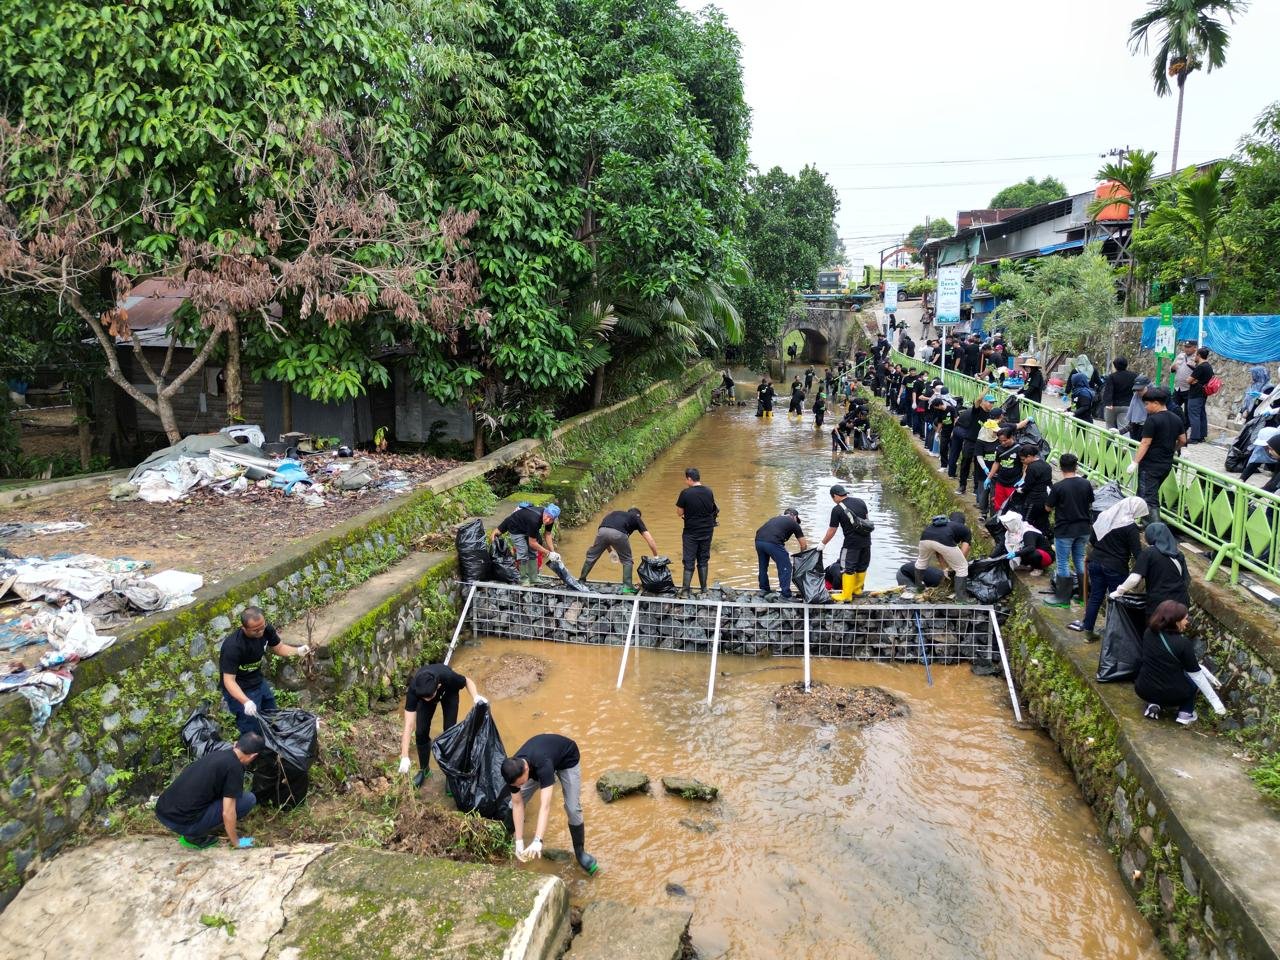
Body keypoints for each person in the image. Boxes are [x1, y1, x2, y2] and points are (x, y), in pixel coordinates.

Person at [501, 733, 596, 874]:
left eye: (521, 782)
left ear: (526, 769)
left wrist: (538, 840)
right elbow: (517, 803)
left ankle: (580, 852)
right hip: (542, 762)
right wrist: (519, 841)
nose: (519, 786)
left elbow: (545, 806)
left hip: (567, 760)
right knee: (512, 803)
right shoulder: (512, 771)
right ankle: (506, 841)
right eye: (516, 784)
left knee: (572, 808)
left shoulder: (543, 765)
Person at [155, 731, 263, 850]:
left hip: (162, 810)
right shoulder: (234, 768)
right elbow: (228, 812)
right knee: (248, 800)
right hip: (182, 823)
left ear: (235, 744)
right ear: (253, 756)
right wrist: (236, 842)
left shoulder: (217, 754)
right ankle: (193, 837)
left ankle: (198, 826)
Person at [220, 607, 310, 735]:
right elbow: (229, 681)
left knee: (272, 716)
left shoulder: (266, 629)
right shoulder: (233, 647)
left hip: (258, 682)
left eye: (262, 627)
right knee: (252, 728)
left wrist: (297, 651)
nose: (260, 632)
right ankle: (256, 752)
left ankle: (274, 747)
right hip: (240, 689)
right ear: (244, 628)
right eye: (255, 630)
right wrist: (245, 701)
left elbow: (279, 648)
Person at [1069, 497, 1149, 638]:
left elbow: (1093, 540)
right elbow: (1137, 553)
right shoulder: (1130, 527)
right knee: (1116, 600)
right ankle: (1112, 634)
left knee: (1096, 597)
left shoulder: (1104, 516)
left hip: (1096, 562)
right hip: (1116, 567)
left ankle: (1088, 629)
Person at [1135, 601, 1226, 725]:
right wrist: (1217, 704)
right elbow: (1197, 676)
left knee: (1157, 673)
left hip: (1143, 689)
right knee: (1192, 682)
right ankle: (1185, 714)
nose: (1187, 622)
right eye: (1185, 619)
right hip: (1173, 695)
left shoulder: (1148, 633)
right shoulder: (1183, 644)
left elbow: (1167, 659)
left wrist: (1209, 675)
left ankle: (1154, 704)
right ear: (1175, 621)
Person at [398, 663, 485, 787]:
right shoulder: (415, 689)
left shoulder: (448, 677)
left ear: (438, 686)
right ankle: (424, 770)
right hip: (426, 694)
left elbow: (467, 681)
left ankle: (450, 775)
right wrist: (405, 756)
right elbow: (409, 725)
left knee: (449, 731)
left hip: (449, 693)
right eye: (425, 697)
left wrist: (476, 697)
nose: (428, 699)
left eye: (430, 696)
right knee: (421, 732)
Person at [1110, 522, 1191, 621]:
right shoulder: (1179, 554)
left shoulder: (1149, 553)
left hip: (1159, 604)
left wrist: (1119, 591)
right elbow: (1186, 580)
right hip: (1180, 604)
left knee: (1154, 634)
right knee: (1174, 633)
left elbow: (1134, 579)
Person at [1126, 387, 1185, 520]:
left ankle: (1155, 529)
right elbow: (1183, 440)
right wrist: (1172, 449)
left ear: (1156, 403)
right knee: (1144, 493)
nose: (1146, 407)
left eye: (1147, 404)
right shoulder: (1176, 419)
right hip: (1166, 464)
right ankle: (1138, 521)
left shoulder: (1152, 420)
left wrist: (1135, 462)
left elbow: (1145, 443)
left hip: (1150, 465)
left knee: (1149, 498)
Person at [1044, 453, 1094, 607]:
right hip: (1084, 528)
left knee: (1063, 563)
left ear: (1060, 467)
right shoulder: (1086, 484)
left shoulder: (1058, 487)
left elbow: (1047, 507)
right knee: (1080, 560)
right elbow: (1091, 503)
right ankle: (1082, 595)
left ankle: (1063, 598)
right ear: (1076, 466)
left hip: (1065, 530)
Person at [578, 507, 660, 593]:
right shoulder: (636, 518)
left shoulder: (615, 513)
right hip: (619, 534)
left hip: (602, 531)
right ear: (638, 515)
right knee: (627, 560)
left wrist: (611, 552)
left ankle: (581, 581)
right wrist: (656, 556)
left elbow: (606, 533)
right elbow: (649, 539)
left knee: (592, 556)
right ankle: (627, 588)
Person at [822, 485, 873, 601]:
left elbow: (832, 530)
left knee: (847, 568)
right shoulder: (861, 502)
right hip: (866, 541)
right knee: (862, 566)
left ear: (835, 496)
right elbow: (867, 520)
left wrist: (823, 543)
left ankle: (846, 595)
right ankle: (858, 590)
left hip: (851, 544)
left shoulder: (837, 509)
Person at [492, 503, 560, 585]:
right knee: (523, 552)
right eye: (547, 516)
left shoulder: (549, 519)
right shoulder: (534, 519)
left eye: (551, 519)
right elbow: (532, 543)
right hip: (516, 528)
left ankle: (533, 578)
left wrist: (553, 552)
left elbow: (548, 534)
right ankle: (523, 579)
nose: (548, 520)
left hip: (526, 527)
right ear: (545, 512)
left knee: (533, 552)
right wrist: (548, 554)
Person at [676, 467, 718, 596]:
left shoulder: (685, 493)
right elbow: (712, 508)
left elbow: (679, 513)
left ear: (689, 478)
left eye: (686, 479)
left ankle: (685, 590)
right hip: (707, 530)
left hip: (691, 532)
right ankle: (704, 589)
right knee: (703, 559)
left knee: (689, 560)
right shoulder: (709, 491)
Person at [911, 514, 970, 601]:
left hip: (925, 536)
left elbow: (938, 551)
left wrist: (945, 568)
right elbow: (964, 550)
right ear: (963, 523)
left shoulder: (944, 525)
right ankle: (961, 599)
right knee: (962, 567)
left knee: (922, 561)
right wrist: (955, 566)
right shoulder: (965, 529)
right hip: (944, 538)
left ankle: (919, 588)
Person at [755, 508, 808, 599]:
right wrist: (801, 556)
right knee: (786, 566)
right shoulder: (793, 523)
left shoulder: (774, 519)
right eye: (797, 519)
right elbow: (804, 545)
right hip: (772, 542)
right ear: (794, 516)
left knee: (763, 566)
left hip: (759, 541)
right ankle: (786, 595)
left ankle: (764, 590)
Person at [1018, 443, 1054, 534]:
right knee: (1043, 522)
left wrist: (1021, 490)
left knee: (1027, 523)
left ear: (1029, 456)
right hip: (1045, 498)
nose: (1023, 462)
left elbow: (1028, 485)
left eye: (1023, 459)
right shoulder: (1046, 465)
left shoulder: (1032, 467)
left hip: (1034, 499)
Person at [990, 427, 1022, 514]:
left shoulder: (1019, 449)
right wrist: (989, 477)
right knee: (998, 506)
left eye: (1005, 440)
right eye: (1001, 441)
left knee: (1011, 507)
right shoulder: (999, 449)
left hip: (1013, 484)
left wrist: (1023, 479)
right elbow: (996, 463)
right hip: (1000, 482)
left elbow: (1025, 465)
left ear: (1011, 437)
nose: (1003, 443)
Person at [1187, 347, 1214, 442]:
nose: (1194, 357)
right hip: (1203, 394)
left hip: (1195, 394)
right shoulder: (1209, 366)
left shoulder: (1200, 367)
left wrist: (1193, 380)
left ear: (1199, 355)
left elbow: (1189, 380)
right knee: (1201, 414)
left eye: (1195, 355)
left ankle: (1194, 437)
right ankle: (1202, 436)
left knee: (1194, 415)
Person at [1103, 357, 1138, 431]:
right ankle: (1122, 442)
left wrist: (1109, 403)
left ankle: (1108, 442)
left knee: (1110, 428)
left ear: (1115, 366)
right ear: (1126, 365)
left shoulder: (1112, 377)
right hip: (1127, 405)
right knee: (1123, 428)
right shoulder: (1134, 376)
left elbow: (1108, 391)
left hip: (1112, 406)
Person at [1172, 340, 1197, 422]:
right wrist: (1173, 368)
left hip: (1189, 389)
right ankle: (1175, 424)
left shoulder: (1196, 358)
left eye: (1189, 347)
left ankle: (1184, 428)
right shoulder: (1180, 355)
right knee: (1173, 409)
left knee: (1187, 412)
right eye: (1185, 347)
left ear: (1194, 348)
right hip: (1177, 388)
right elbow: (1171, 368)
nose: (1187, 349)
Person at [1126, 375, 1151, 441]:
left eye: (1140, 389)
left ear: (1148, 386)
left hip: (1148, 431)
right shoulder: (1136, 397)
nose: (1138, 392)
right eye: (1136, 390)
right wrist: (1119, 432)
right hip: (1136, 430)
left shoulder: (1154, 399)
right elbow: (1132, 423)